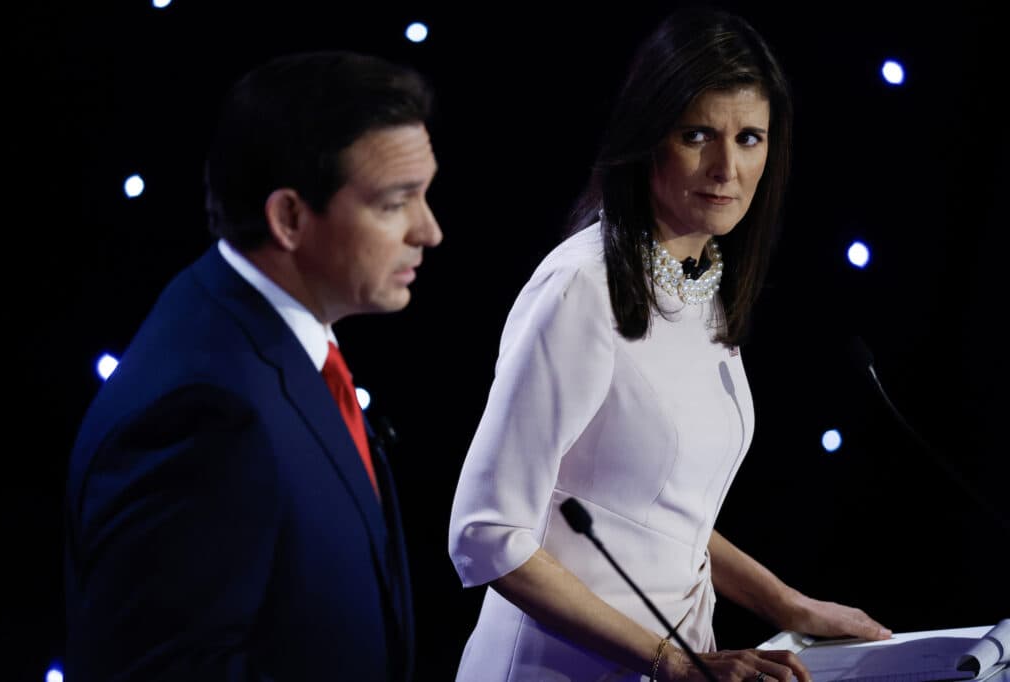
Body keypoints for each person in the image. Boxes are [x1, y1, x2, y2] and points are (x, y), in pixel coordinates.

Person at [448, 7, 890, 681]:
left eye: (749, 138)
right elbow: (487, 535)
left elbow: (652, 511)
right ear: (648, 136)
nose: (726, 168)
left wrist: (787, 604)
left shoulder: (700, 282)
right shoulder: (579, 289)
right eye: (696, 135)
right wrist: (671, 663)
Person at [64, 50, 441, 681]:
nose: (428, 230)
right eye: (395, 203)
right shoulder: (203, 411)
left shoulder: (263, 333)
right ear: (289, 217)